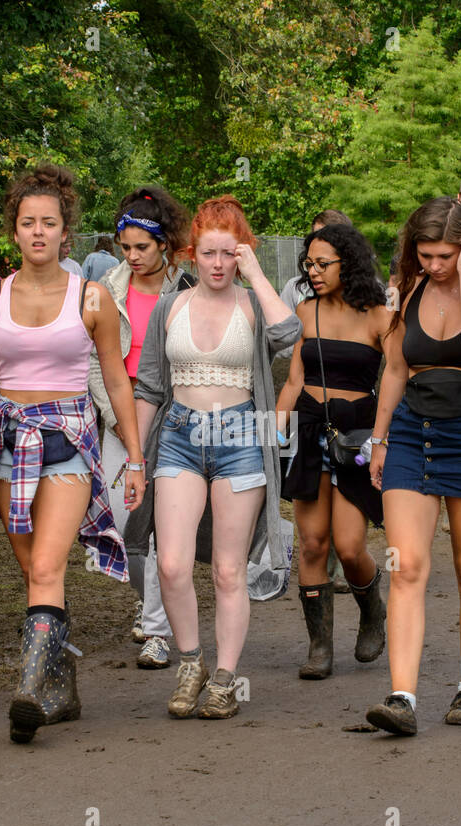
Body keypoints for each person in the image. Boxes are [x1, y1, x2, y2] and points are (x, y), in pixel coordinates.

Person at [0, 164, 146, 744]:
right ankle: (61, 678)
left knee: (46, 567)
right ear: (14, 230)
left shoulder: (91, 299)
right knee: (33, 569)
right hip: (9, 441)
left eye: (50, 223)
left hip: (68, 443)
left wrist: (133, 457)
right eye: (28, 222)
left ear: (66, 232)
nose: (39, 232)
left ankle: (31, 689)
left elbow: (115, 380)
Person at [127, 196, 300, 721]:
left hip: (241, 436)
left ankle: (225, 678)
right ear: (191, 255)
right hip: (178, 434)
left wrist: (257, 273)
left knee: (229, 571)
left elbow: (290, 335)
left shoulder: (252, 305)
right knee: (172, 563)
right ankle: (190, 662)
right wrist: (135, 460)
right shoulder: (169, 307)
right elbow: (150, 386)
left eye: (230, 254)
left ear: (242, 254)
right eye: (210, 253)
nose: (219, 264)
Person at [362, 196, 461, 736]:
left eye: (445, 255)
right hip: (411, 433)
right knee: (406, 566)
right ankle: (401, 697)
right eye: (425, 254)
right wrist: (378, 440)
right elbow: (397, 369)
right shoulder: (411, 287)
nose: (434, 265)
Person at [86, 185, 195, 669]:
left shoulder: (188, 290)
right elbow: (92, 364)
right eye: (124, 247)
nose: (131, 256)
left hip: (172, 423)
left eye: (142, 248)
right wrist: (117, 418)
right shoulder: (105, 288)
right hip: (119, 421)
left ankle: (157, 629)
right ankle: (149, 603)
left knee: (161, 530)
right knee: (123, 523)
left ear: (165, 243)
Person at [276, 223, 390, 679]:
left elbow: (397, 378)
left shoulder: (381, 316)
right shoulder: (305, 311)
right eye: (310, 264)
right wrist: (274, 433)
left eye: (324, 264)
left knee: (348, 545)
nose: (314, 271)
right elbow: (293, 381)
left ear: (351, 263)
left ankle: (372, 606)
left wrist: (385, 438)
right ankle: (319, 646)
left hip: (356, 437)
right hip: (309, 430)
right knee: (312, 543)